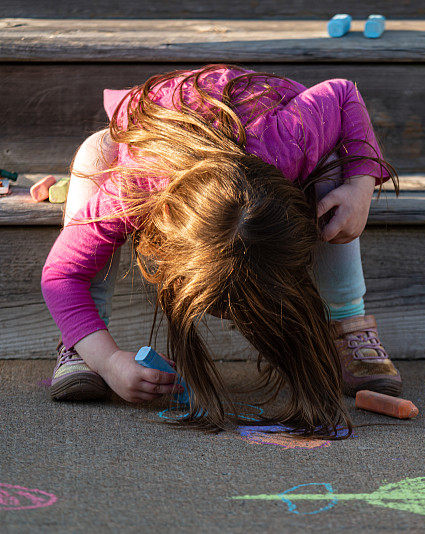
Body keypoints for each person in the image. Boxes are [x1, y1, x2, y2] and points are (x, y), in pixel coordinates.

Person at [41, 64, 401, 436]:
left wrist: (360, 185)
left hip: (259, 123)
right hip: (157, 129)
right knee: (94, 151)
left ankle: (347, 321)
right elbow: (61, 275)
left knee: (332, 169)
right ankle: (80, 347)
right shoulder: (135, 185)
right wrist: (109, 360)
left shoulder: (292, 139)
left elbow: (344, 93)